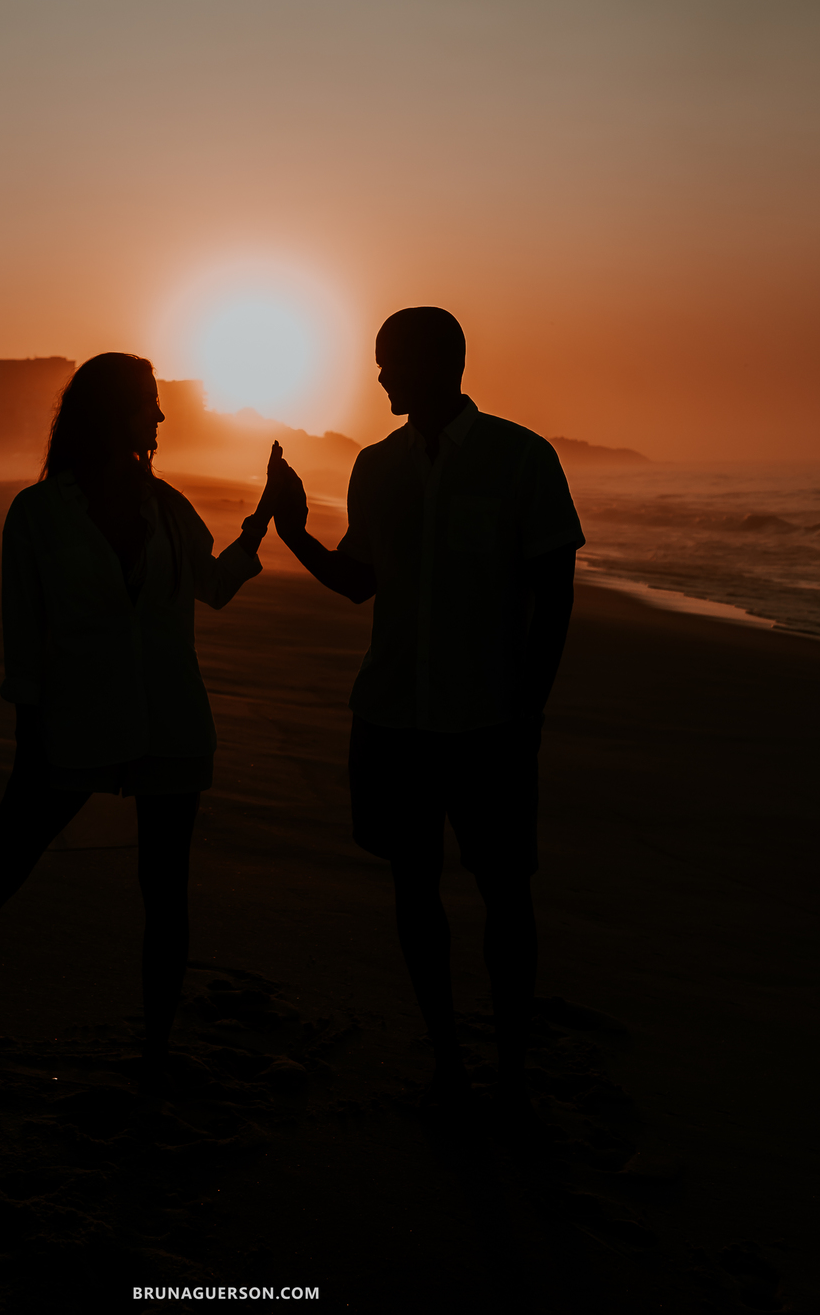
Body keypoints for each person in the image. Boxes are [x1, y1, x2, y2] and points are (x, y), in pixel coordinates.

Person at [0, 353, 276, 1092]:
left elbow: (212, 588)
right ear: (114, 412)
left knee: (166, 895)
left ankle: (154, 1052)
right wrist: (31, 737)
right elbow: (24, 640)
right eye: (149, 402)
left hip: (171, 723)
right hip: (72, 725)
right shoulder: (39, 513)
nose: (160, 416)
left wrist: (262, 524)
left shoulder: (169, 506)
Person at [265, 307, 584, 1134]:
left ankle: (511, 1075)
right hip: (394, 714)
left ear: (441, 361)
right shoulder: (376, 468)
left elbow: (555, 597)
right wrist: (292, 529)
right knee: (414, 890)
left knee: (506, 895)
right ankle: (449, 1063)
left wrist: (531, 709)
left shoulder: (522, 458)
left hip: (491, 720)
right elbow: (358, 581)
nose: (379, 378)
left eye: (390, 363)